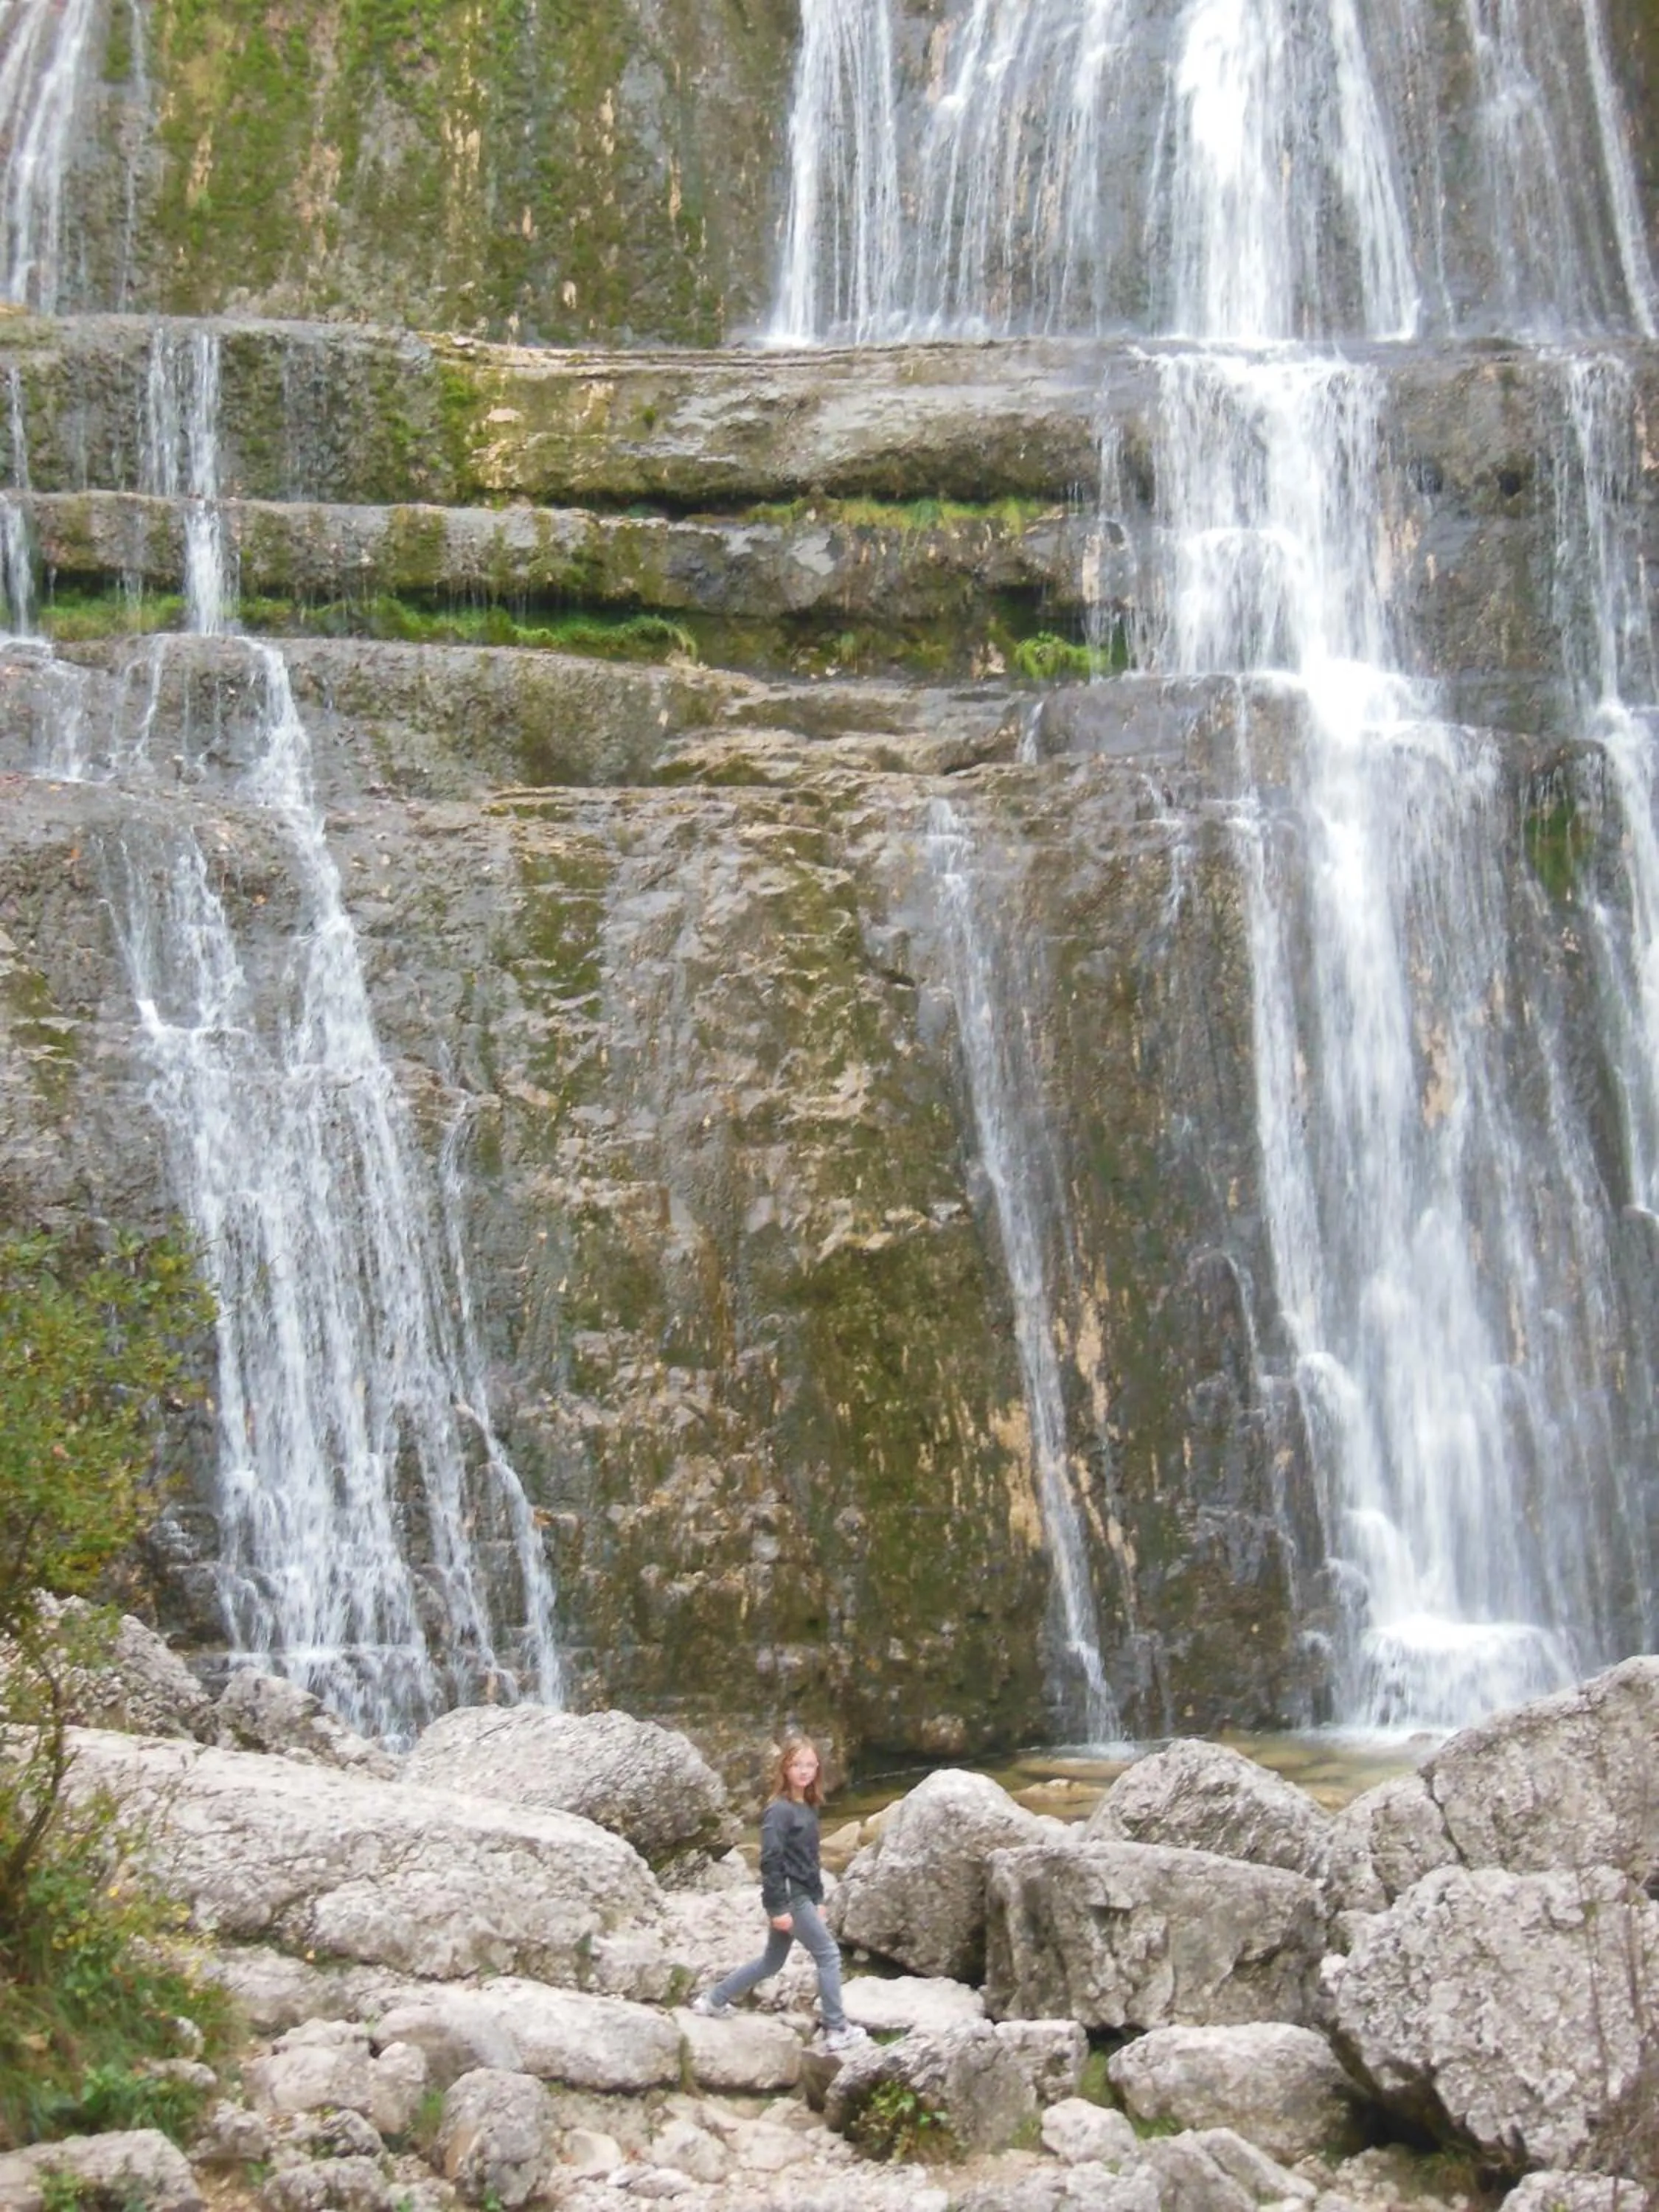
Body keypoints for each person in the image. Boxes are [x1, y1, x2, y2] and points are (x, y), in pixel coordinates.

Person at [692, 1734, 869, 2054]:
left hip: (804, 1895)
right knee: (829, 1955)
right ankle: (836, 2029)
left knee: (772, 1962)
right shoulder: (779, 1811)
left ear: (818, 1768)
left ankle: (713, 2000)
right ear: (785, 1768)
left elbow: (809, 1859)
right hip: (789, 1897)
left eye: (810, 1765)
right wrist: (777, 1908)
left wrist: (818, 1900)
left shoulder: (808, 1807)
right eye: (797, 1764)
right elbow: (771, 1860)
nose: (804, 1771)